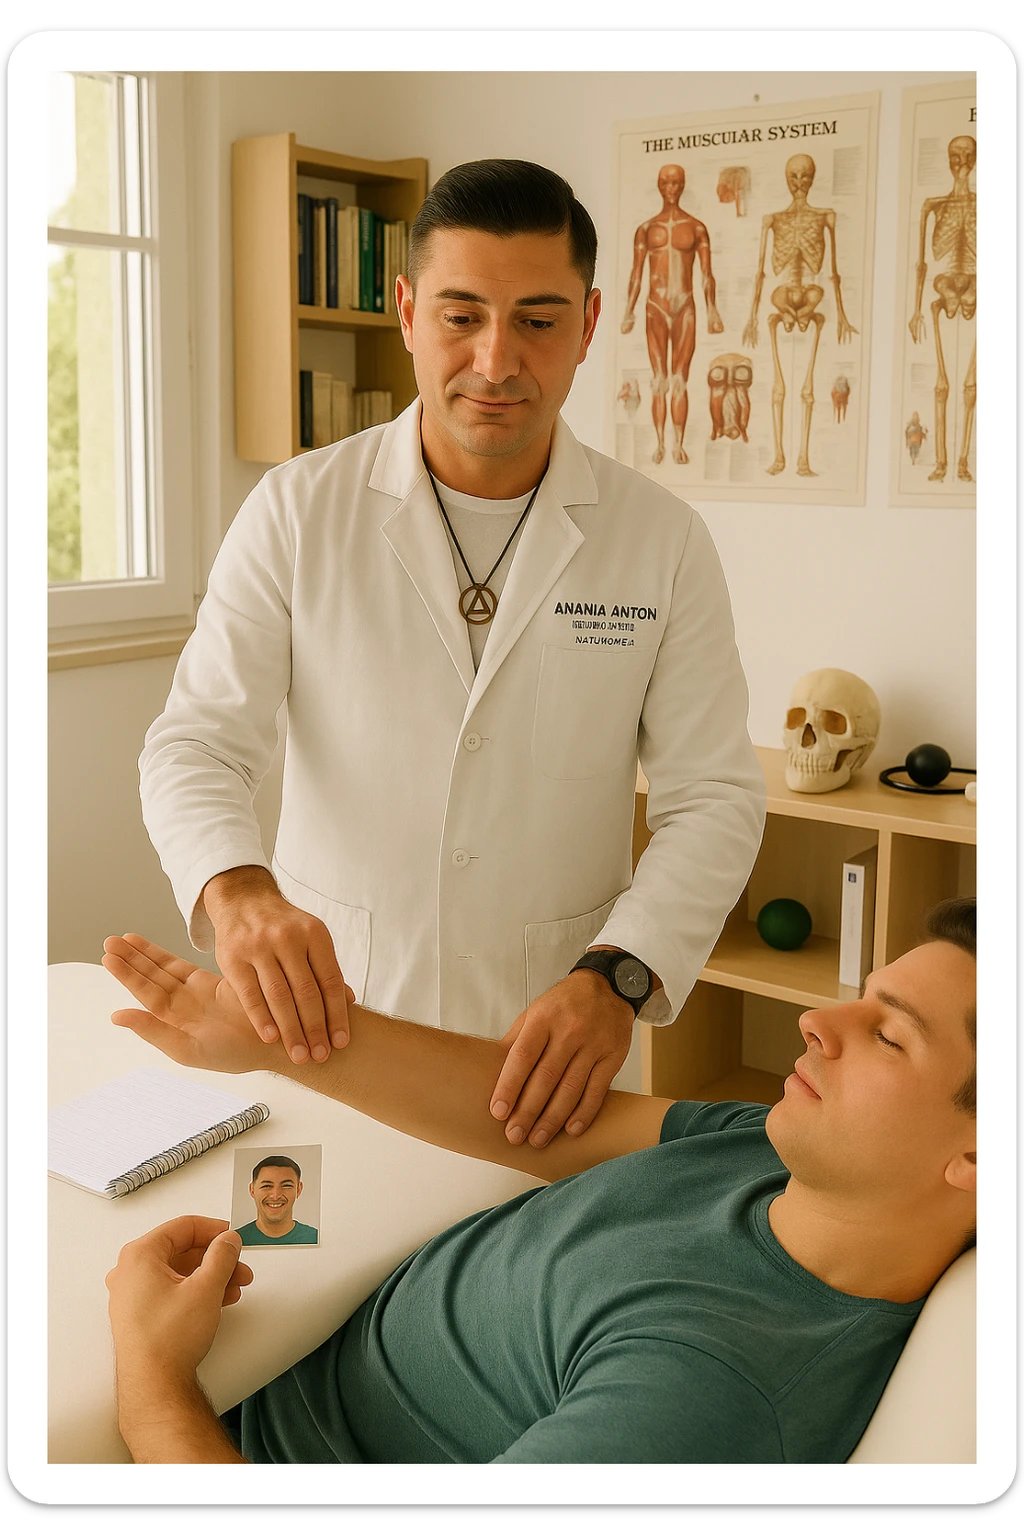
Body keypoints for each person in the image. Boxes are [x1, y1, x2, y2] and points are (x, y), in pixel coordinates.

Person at [138, 158, 765, 1154]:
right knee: (320, 1277)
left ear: (592, 324)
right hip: (328, 1028)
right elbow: (198, 743)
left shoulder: (660, 540)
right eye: (461, 315)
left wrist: (622, 977)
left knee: (507, 1297)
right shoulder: (299, 511)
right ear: (406, 309)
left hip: (545, 1053)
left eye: (539, 320)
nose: (495, 361)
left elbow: (714, 797)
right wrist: (239, 894)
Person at [102, 895, 976, 1464]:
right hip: (273, 1352)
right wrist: (277, 1044)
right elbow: (526, 1113)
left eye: (891, 1036)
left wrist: (151, 1373)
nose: (818, 1020)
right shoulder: (771, 1152)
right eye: (862, 995)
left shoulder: (706, 1397)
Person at [620, 162, 724, 464]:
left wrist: (713, 310)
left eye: (676, 182)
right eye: (666, 182)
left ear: (683, 185)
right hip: (655, 306)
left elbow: (707, 274)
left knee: (679, 380)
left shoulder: (696, 227)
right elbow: (636, 274)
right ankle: (660, 445)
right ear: (658, 184)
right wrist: (628, 311)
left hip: (685, 306)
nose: (671, 188)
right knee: (658, 380)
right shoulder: (646, 229)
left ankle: (677, 443)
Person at [235, 1156, 319, 1247]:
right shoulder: (236, 1240)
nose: (275, 1196)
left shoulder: (315, 1238)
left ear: (298, 1189)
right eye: (267, 1186)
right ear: (252, 1190)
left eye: (286, 1185)